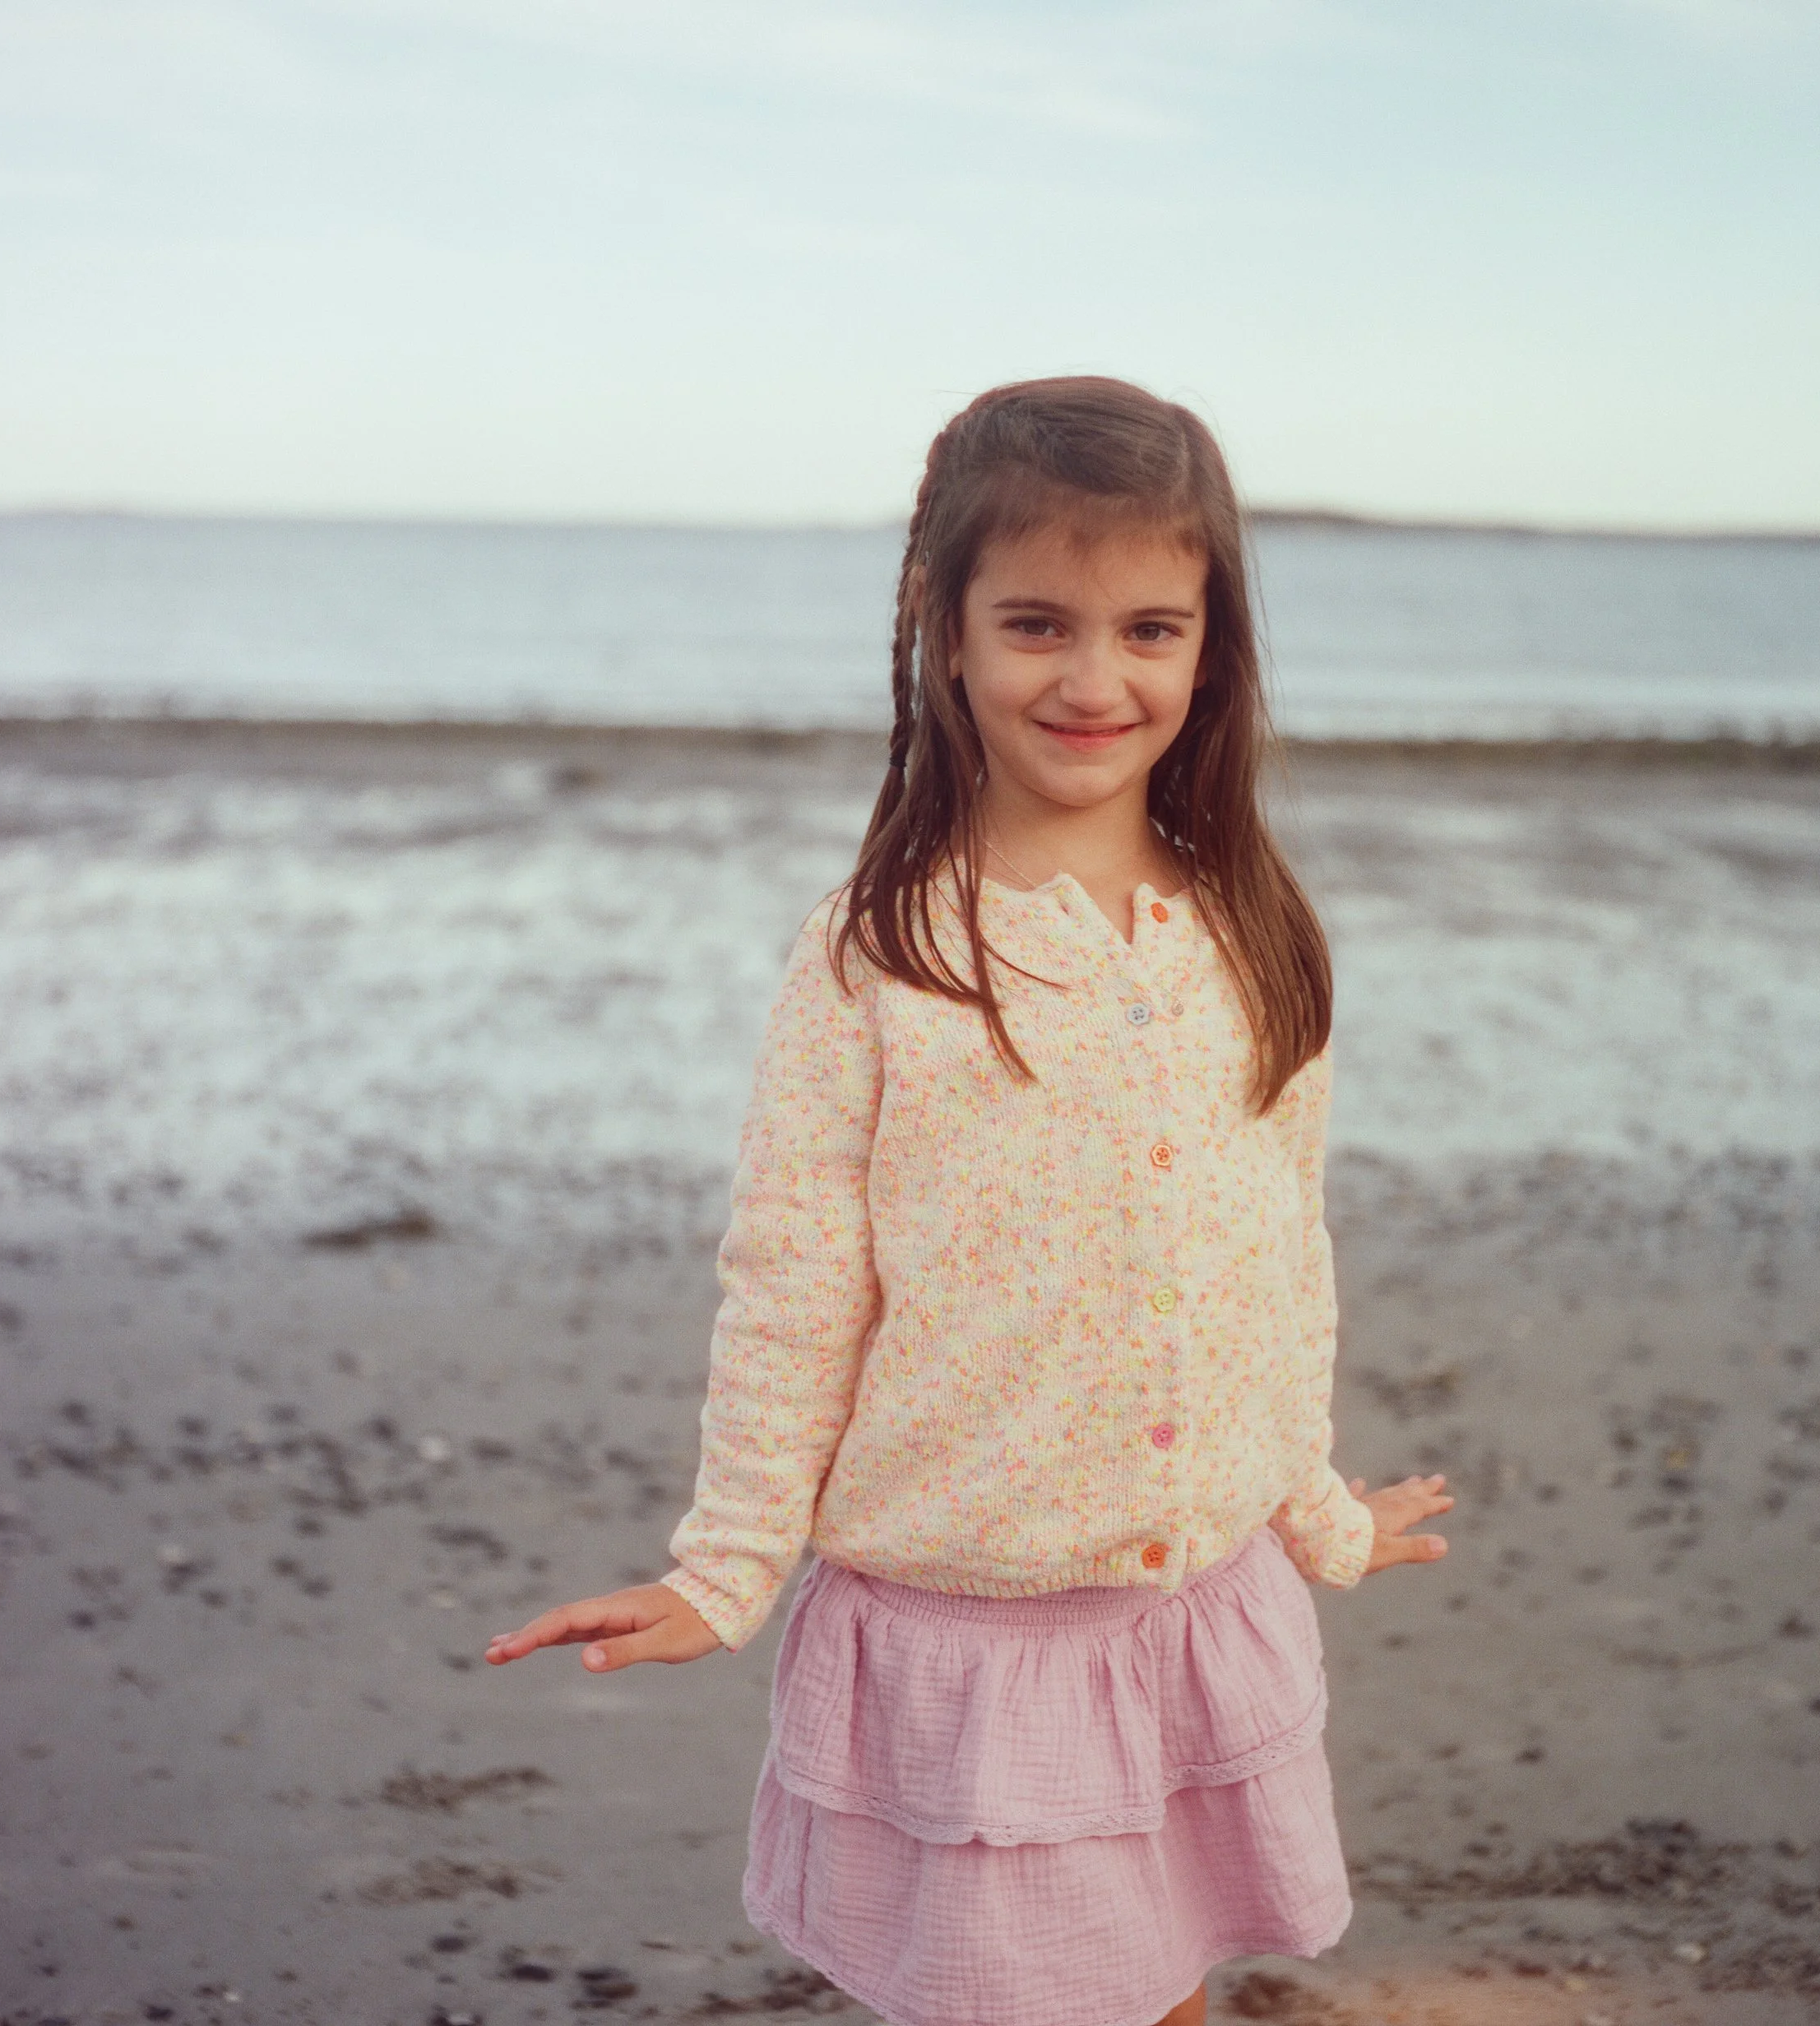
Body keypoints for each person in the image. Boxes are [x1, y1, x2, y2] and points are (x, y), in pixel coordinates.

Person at [486, 376, 1454, 2026]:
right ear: (941, 633)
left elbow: (1270, 1258)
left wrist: (1316, 1506)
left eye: (1151, 628)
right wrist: (721, 1571)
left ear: (1210, 647)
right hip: (977, 1645)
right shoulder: (880, 957)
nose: (1094, 679)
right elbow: (794, 1286)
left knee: (1162, 1982)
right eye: (1035, 624)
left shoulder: (1256, 930)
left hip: (1196, 1610)